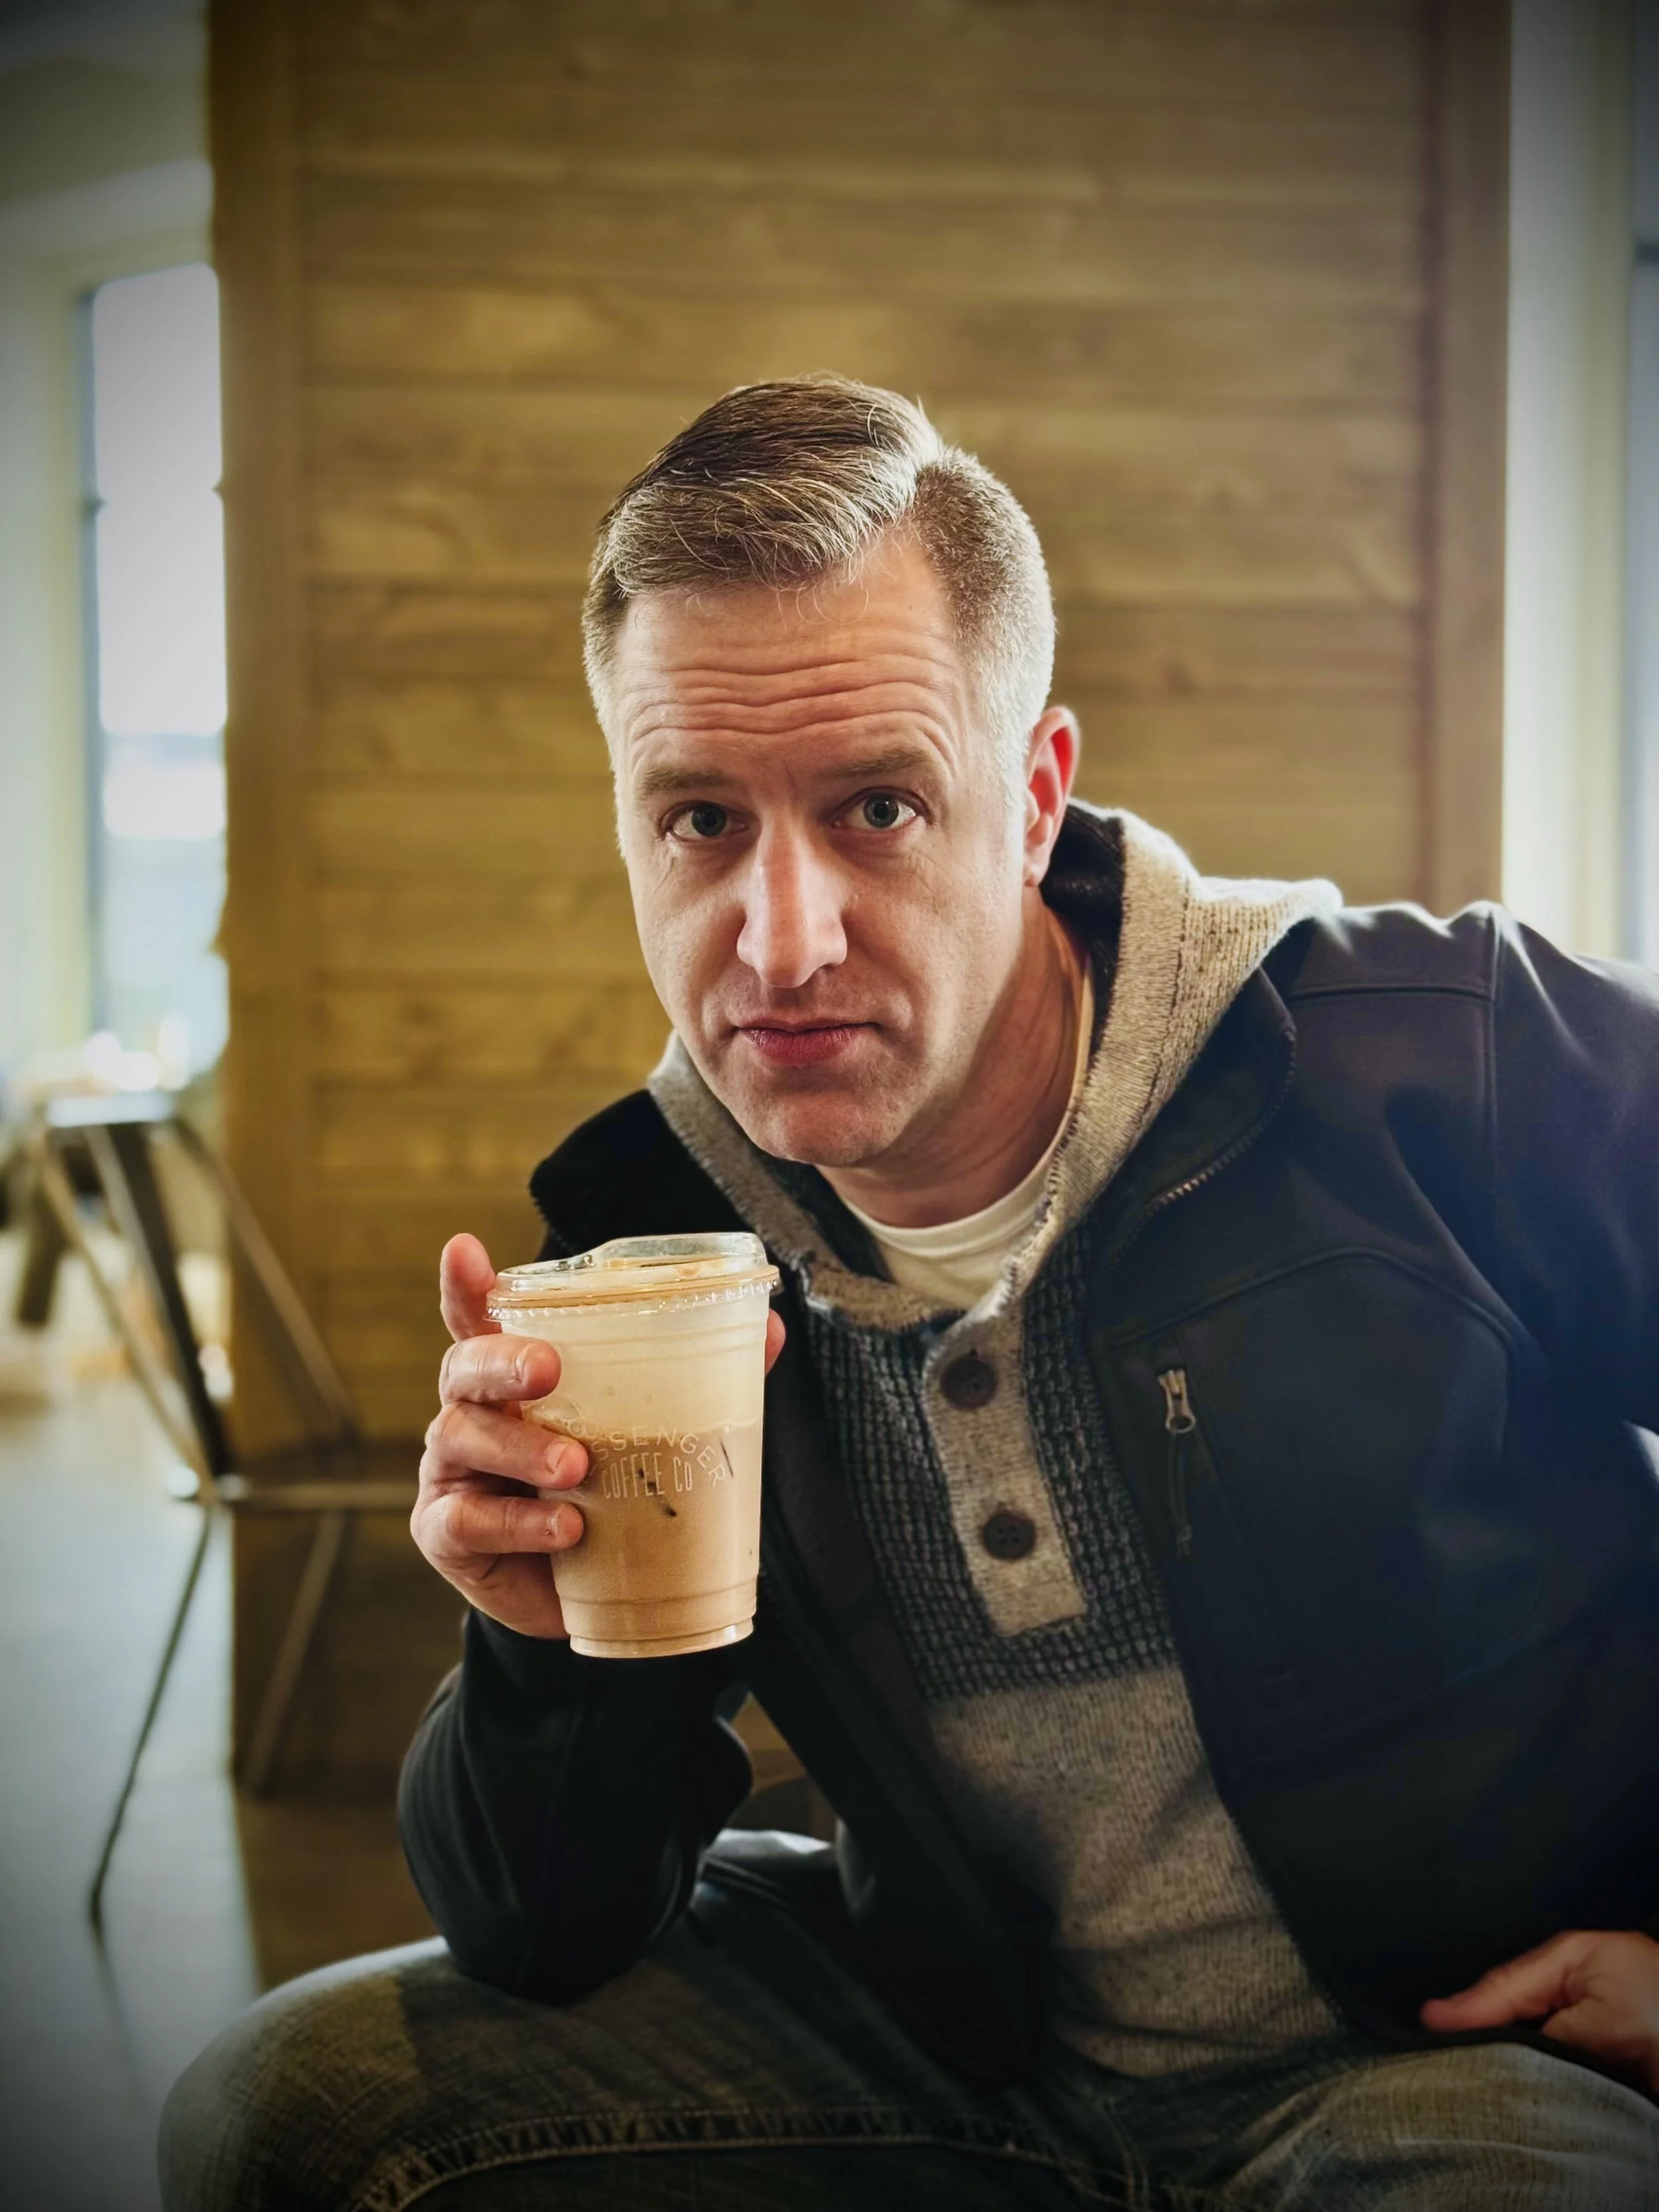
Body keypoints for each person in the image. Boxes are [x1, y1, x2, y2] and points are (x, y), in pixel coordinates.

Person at [161, 380, 1659, 2209]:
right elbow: (546, 1934)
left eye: (877, 806)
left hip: (1451, 2060)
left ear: (1031, 798)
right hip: (971, 2057)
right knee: (294, 2111)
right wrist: (537, 1649)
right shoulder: (651, 1228)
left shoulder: (1435, 1054)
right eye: (699, 820)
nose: (782, 940)